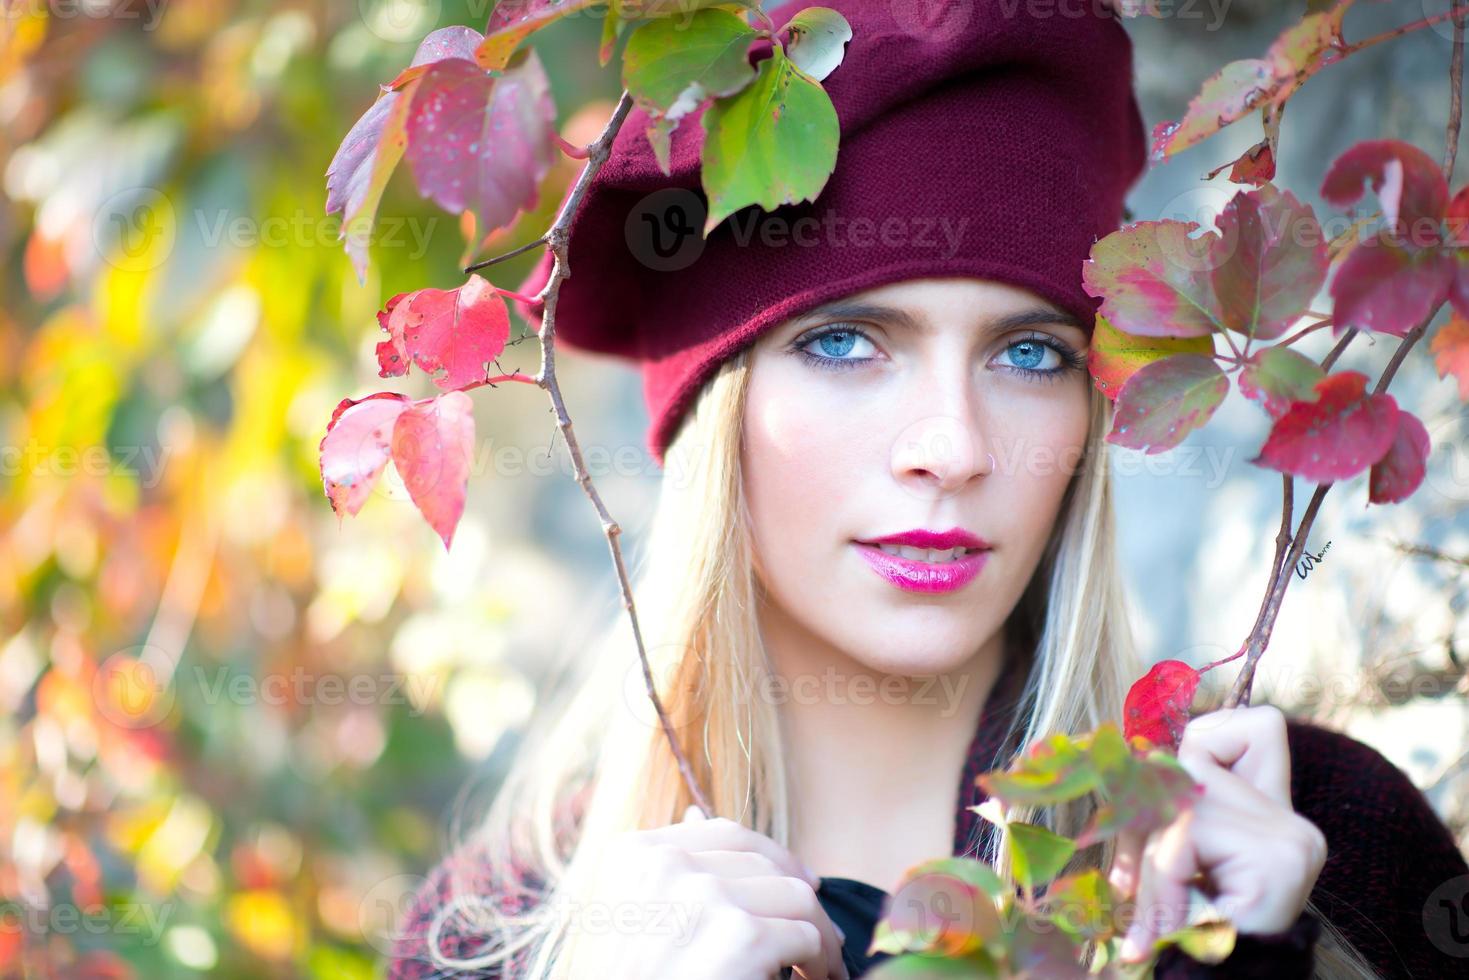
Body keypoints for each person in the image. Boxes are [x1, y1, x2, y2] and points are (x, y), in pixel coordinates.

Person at [387, 2, 1469, 977]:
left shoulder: (1317, 850)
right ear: (712, 416)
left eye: (1030, 354)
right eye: (846, 341)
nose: (952, 447)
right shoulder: (499, 934)